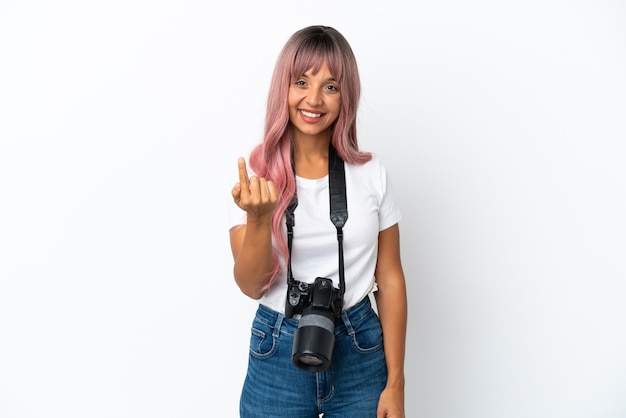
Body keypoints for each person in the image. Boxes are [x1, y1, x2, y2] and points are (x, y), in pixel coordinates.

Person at [229, 25, 407, 418]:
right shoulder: (256, 177)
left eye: (331, 86)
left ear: (347, 95)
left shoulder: (372, 173)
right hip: (278, 342)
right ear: (284, 88)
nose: (314, 98)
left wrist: (396, 382)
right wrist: (259, 220)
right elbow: (250, 285)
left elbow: (390, 278)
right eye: (301, 81)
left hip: (358, 342)